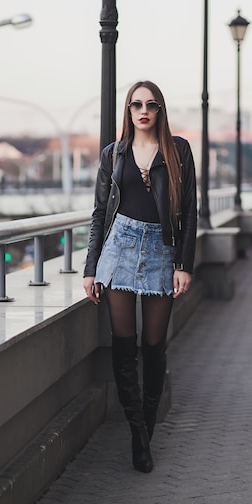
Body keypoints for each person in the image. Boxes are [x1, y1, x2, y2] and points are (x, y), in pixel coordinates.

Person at [83, 80, 197, 473]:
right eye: (136, 105)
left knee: (153, 346)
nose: (143, 110)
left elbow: (190, 211)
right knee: (123, 345)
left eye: (150, 104)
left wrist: (184, 264)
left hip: (162, 252)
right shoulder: (113, 154)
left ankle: (146, 427)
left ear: (160, 110)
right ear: (128, 111)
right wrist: (90, 267)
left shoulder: (178, 150)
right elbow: (100, 213)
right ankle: (137, 434)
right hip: (120, 248)